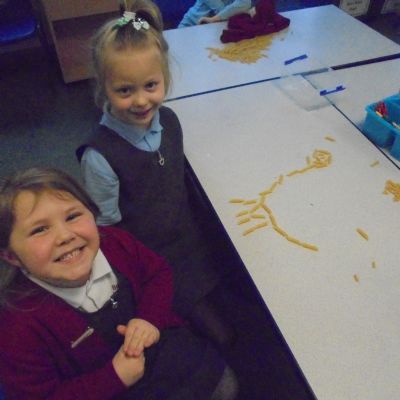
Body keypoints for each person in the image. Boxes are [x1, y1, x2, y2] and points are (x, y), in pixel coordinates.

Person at [0, 167, 238, 400]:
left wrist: (149, 319)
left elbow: (157, 273)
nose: (65, 236)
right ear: (11, 256)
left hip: (168, 351)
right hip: (111, 390)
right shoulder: (16, 328)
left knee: (226, 385)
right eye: (40, 230)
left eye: (72, 216)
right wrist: (113, 378)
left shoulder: (114, 242)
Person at [77, 0, 235, 349]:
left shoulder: (170, 121)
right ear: (103, 87)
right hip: (152, 259)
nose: (141, 101)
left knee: (242, 289)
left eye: (151, 85)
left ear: (165, 78)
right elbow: (108, 233)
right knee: (223, 336)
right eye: (124, 90)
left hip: (190, 238)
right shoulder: (100, 155)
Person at [178, 0, 256, 28]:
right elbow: (221, 10)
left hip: (213, 29)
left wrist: (242, 9)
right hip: (190, 26)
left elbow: (245, 2)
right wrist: (245, 11)